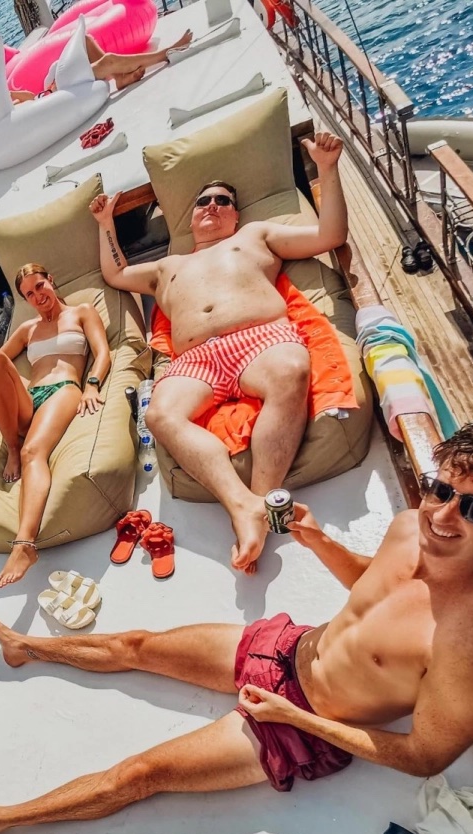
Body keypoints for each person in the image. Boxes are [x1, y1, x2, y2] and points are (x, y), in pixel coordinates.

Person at [0, 415, 473, 834]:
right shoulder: (410, 526)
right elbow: (376, 586)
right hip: (288, 647)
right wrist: (318, 541)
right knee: (137, 644)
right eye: (440, 489)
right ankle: (26, 646)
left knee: (138, 775)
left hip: (302, 722)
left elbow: (424, 756)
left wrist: (295, 718)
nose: (444, 515)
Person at [90, 131, 349, 575]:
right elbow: (116, 274)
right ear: (191, 218)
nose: (212, 206)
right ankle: (242, 506)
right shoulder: (166, 266)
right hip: (195, 361)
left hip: (259, 339)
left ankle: (261, 506)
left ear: (236, 214)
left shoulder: (255, 236)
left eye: (222, 201)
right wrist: (104, 224)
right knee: (160, 414)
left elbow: (331, 234)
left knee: (291, 369)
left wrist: (327, 169)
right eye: (203, 202)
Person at [0, 263, 111, 587]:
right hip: (32, 396)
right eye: (29, 294)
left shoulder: (81, 312)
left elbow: (102, 353)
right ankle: (11, 445)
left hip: (63, 389)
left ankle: (25, 544)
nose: (38, 296)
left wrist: (92, 384)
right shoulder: (27, 329)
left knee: (33, 453)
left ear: (51, 280)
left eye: (40, 286)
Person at [0, 29, 195, 136]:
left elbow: (30, 99)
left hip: (50, 92)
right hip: (59, 97)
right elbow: (29, 115)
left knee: (85, 39)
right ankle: (166, 53)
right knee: (107, 60)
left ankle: (120, 79)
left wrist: (15, 95)